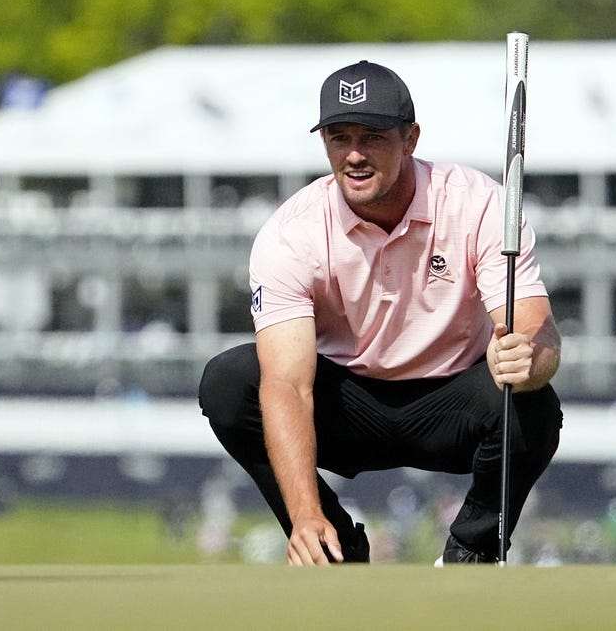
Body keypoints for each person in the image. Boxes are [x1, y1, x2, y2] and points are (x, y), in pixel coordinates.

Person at [198, 60, 562, 565]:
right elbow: (286, 384)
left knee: (533, 403)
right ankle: (331, 542)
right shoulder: (292, 233)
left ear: (410, 138)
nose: (353, 155)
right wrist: (303, 511)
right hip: (345, 404)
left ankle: (473, 549)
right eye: (338, 137)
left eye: (372, 137)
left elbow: (536, 332)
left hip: (452, 397)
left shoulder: (479, 204)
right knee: (229, 381)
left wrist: (527, 359)